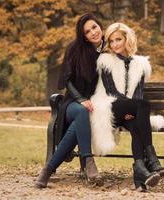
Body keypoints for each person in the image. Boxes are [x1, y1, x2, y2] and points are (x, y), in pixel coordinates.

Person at [90, 22, 164, 191]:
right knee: (143, 104)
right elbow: (111, 91)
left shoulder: (141, 64)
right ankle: (152, 158)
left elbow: (138, 93)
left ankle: (140, 172)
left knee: (136, 127)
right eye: (111, 41)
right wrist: (130, 108)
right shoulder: (105, 61)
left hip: (131, 113)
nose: (115, 44)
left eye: (118, 39)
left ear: (127, 39)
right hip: (109, 107)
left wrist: (132, 111)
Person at [35, 13, 105, 188]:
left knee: (79, 123)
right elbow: (66, 79)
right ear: (84, 36)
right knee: (82, 111)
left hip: (95, 105)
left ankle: (47, 170)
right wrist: (81, 99)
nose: (93, 33)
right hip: (72, 103)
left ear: (100, 26)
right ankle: (89, 162)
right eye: (88, 32)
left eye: (94, 27)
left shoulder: (109, 49)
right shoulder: (75, 49)